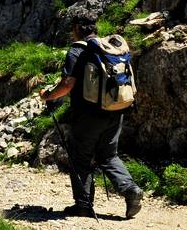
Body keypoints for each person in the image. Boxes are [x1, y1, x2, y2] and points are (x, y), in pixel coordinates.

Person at [41, 19, 146, 219]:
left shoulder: (78, 51)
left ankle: (83, 205)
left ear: (78, 29)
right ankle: (130, 190)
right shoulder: (111, 48)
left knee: (80, 157)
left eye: (73, 29)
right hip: (116, 110)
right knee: (108, 155)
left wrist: (48, 96)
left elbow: (67, 84)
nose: (72, 34)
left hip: (88, 115)